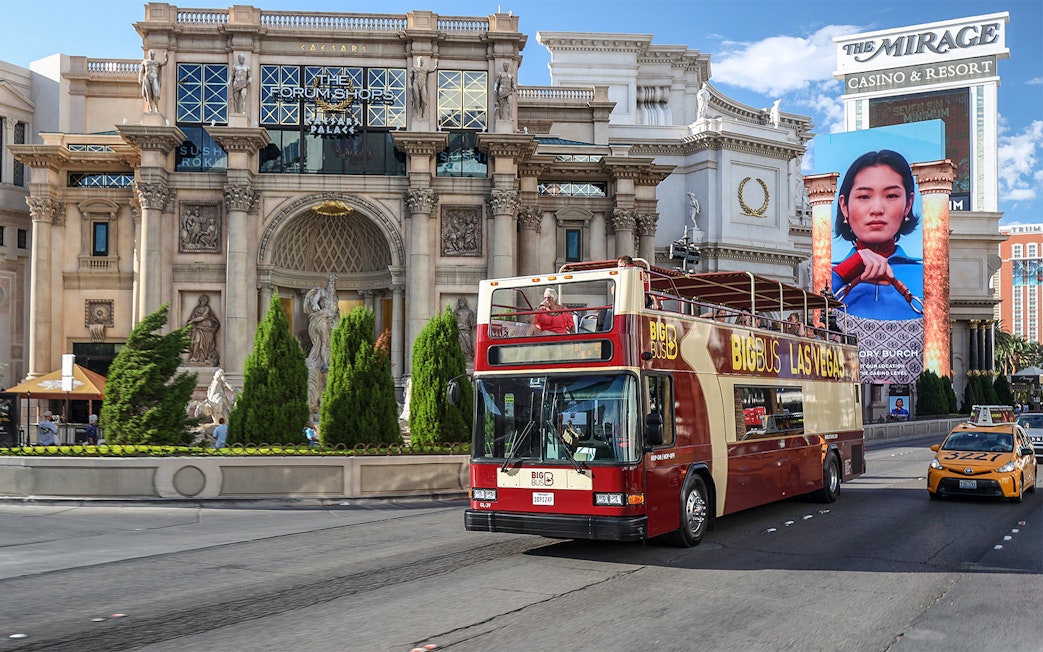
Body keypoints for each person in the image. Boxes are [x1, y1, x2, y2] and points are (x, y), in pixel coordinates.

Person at [831, 150, 923, 320]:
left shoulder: (929, 277)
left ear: (908, 204)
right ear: (844, 206)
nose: (877, 209)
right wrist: (843, 272)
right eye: (864, 196)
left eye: (891, 196)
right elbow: (805, 316)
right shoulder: (827, 275)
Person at [304, 273, 340, 371]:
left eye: (333, 282)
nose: (331, 284)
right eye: (329, 282)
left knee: (333, 342)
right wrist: (315, 305)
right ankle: (324, 363)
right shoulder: (322, 292)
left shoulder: (336, 296)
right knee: (325, 341)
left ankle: (330, 360)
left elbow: (336, 310)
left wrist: (337, 317)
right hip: (323, 318)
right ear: (327, 282)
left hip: (333, 320)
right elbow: (314, 301)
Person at [186, 294, 221, 364]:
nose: (205, 301)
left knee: (205, 345)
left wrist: (193, 321)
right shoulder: (196, 309)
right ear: (200, 300)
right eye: (204, 300)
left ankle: (202, 358)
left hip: (207, 329)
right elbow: (192, 317)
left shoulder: (207, 308)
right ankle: (194, 357)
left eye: (206, 300)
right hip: (198, 328)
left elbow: (203, 317)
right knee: (196, 341)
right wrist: (190, 323)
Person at [139, 49, 169, 113]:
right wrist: (139, 78)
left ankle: (156, 107)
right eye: (151, 54)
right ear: (149, 54)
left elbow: (164, 63)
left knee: (156, 94)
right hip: (147, 78)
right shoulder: (145, 62)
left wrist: (166, 58)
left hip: (154, 77)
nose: (152, 55)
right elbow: (141, 71)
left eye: (153, 54)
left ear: (154, 55)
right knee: (148, 94)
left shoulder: (157, 62)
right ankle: (150, 108)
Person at [455, 296, 477, 361]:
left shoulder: (469, 312)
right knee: (460, 345)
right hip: (458, 330)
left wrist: (475, 318)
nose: (461, 303)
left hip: (467, 331)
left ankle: (468, 357)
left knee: (468, 345)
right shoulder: (456, 312)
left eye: (462, 302)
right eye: (459, 302)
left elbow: (472, 324)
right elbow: (453, 321)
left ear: (465, 302)